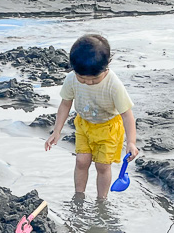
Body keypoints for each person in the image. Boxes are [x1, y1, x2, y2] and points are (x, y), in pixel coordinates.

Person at [44, 34, 138, 200]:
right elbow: (65, 104)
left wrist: (131, 142)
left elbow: (127, 114)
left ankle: (101, 200)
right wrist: (56, 130)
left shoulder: (113, 84)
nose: (87, 83)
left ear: (105, 68)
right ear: (74, 69)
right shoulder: (72, 79)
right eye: (82, 78)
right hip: (84, 125)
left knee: (102, 166)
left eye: (94, 79)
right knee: (81, 161)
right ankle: (78, 196)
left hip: (108, 128)